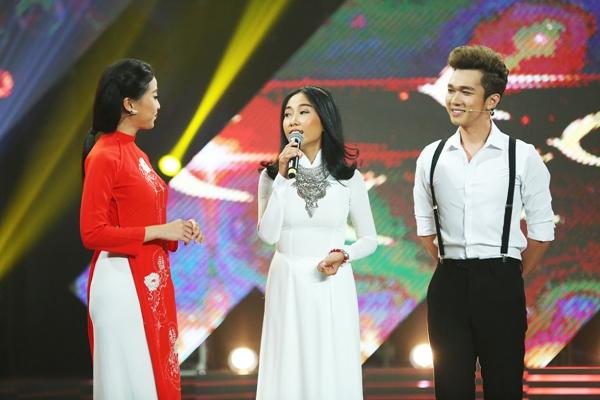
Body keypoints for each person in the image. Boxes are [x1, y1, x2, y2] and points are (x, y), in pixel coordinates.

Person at [413, 45, 555, 399]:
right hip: (449, 284)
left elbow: (541, 233)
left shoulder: (522, 156)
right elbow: (426, 230)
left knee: (504, 388)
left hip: (501, 283)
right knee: (451, 390)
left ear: (491, 100)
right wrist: (458, 267)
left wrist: (505, 271)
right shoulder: (431, 157)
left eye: (465, 91)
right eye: (450, 90)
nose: (454, 99)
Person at [80, 59, 203, 400]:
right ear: (130, 104)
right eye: (154, 95)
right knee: (133, 385)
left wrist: (178, 230)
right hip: (123, 283)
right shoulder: (104, 155)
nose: (159, 104)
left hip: (148, 278)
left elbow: (143, 218)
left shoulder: (136, 154)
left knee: (153, 382)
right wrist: (161, 230)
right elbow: (92, 233)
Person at [255, 86, 378, 400]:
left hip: (331, 281)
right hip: (286, 279)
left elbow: (369, 239)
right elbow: (268, 235)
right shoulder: (271, 177)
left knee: (330, 364)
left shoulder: (347, 178)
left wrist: (343, 254)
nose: (293, 121)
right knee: (287, 364)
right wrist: (282, 179)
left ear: (324, 120)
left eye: (303, 112)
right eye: (287, 114)